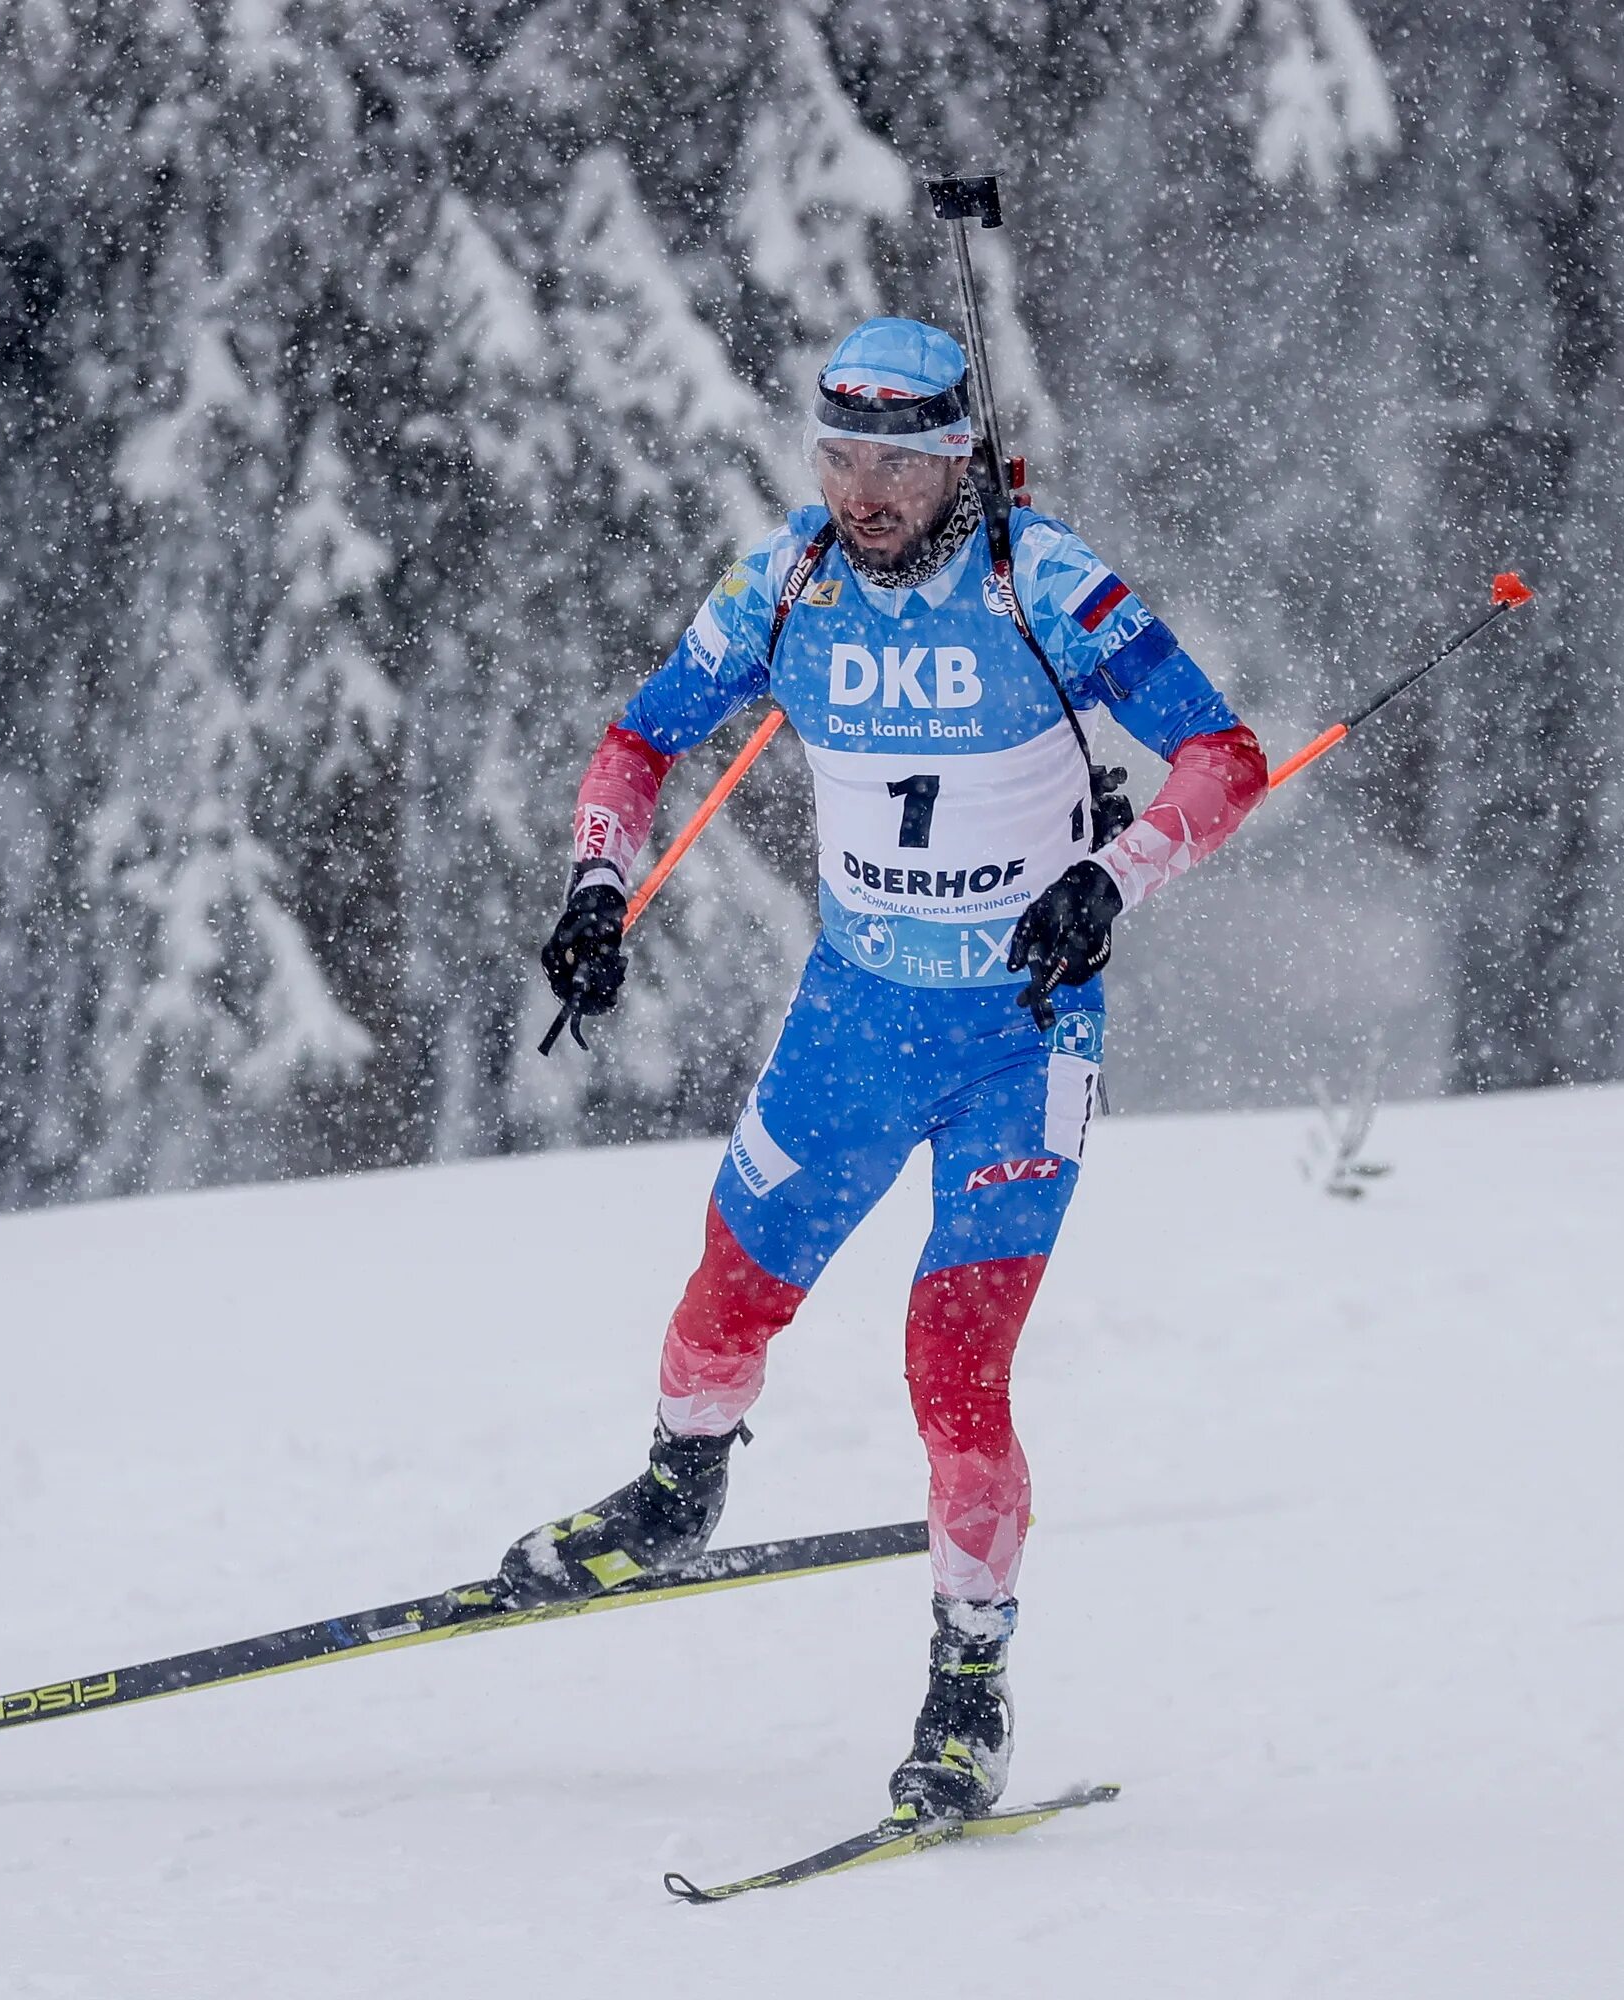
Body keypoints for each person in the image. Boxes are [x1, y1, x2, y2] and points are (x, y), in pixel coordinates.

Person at [501, 316, 1268, 1820]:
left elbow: (1221, 761)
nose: (864, 490)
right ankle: (676, 1491)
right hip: (855, 1015)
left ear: (955, 459)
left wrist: (1112, 878)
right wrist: (598, 889)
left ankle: (967, 1695)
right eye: (840, 455)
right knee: (730, 1288)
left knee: (955, 1371)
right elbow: (635, 742)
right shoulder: (786, 579)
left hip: (1018, 1039)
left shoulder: (1042, 582)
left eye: (898, 462)